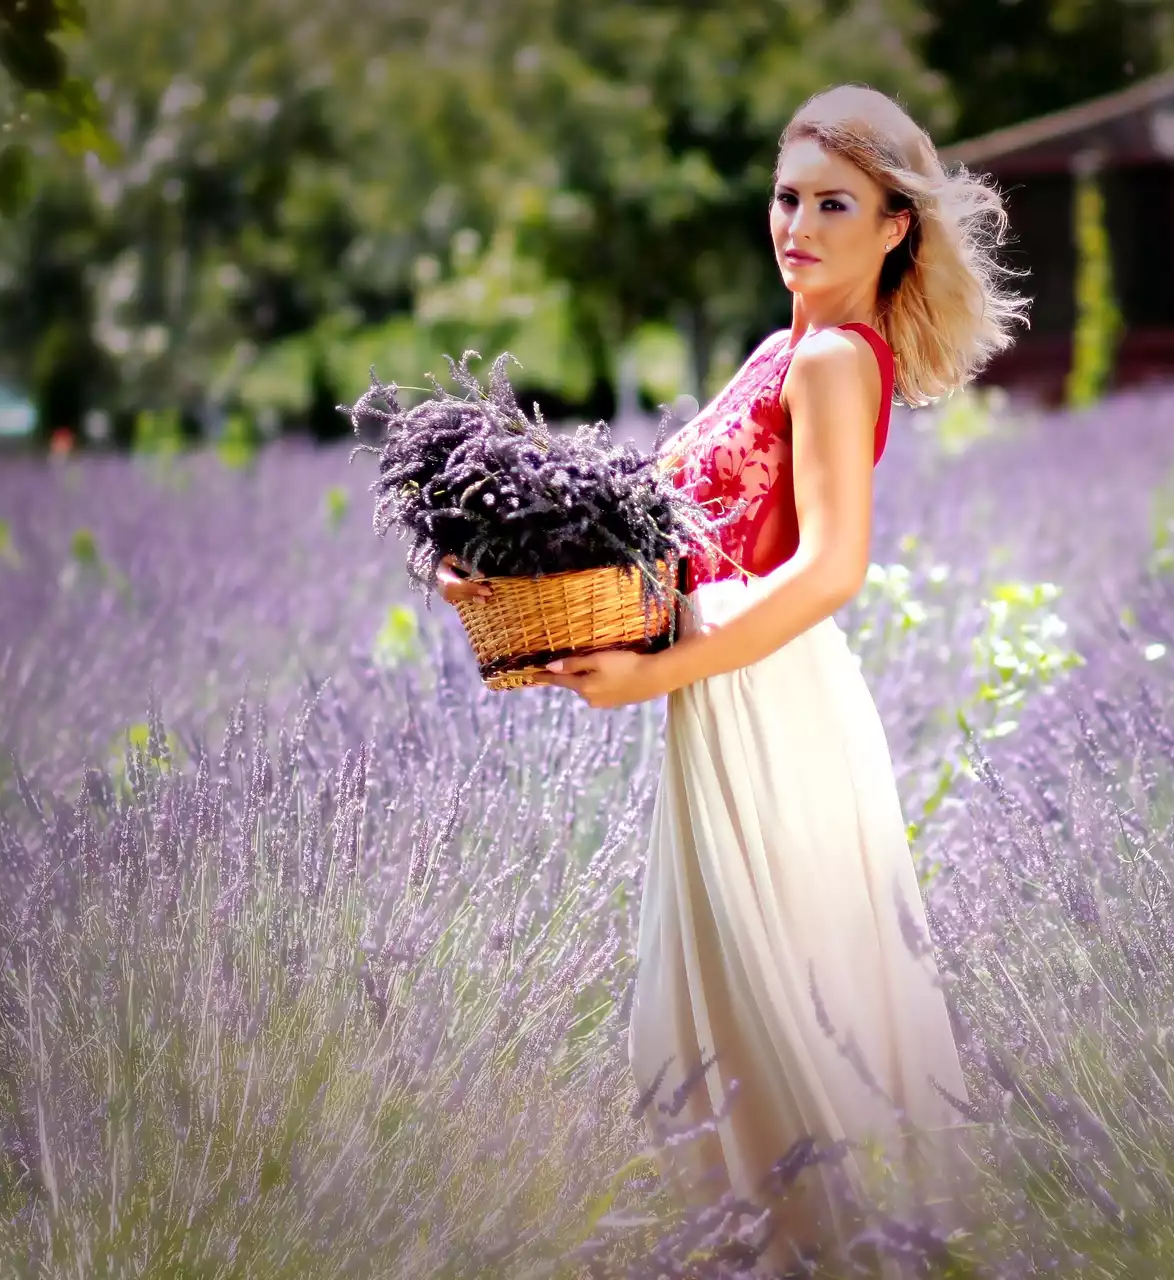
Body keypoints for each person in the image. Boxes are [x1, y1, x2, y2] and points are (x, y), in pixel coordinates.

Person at [436, 83, 1027, 1277]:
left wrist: (667, 669)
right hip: (724, 687)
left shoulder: (835, 362)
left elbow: (831, 569)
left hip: (769, 698)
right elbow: (661, 531)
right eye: (786, 197)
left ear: (895, 226)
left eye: (834, 204)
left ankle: (844, 1250)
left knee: (786, 1002)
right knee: (743, 1009)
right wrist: (509, 573)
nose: (797, 225)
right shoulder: (781, 349)